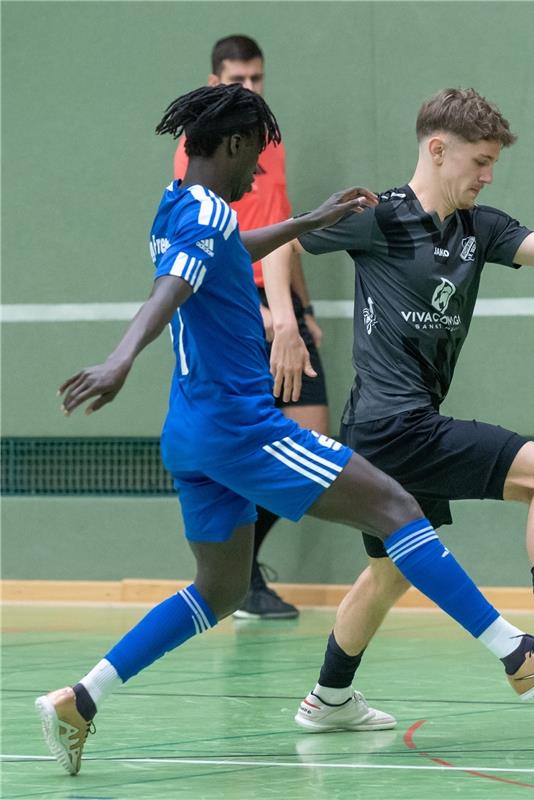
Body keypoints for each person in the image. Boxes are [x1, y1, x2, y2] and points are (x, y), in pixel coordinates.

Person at [35, 84, 534, 776]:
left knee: (216, 590)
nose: (260, 177)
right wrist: (120, 357)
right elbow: (176, 285)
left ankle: (81, 698)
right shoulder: (212, 208)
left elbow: (226, 247)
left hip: (188, 431)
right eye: (260, 161)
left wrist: (309, 218)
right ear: (237, 145)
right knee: (399, 508)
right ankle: (517, 654)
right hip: (241, 426)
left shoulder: (178, 206)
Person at [261, 88, 534, 733]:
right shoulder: (375, 215)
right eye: (480, 162)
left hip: (383, 430)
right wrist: (285, 324)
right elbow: (280, 243)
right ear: (438, 150)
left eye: (494, 164)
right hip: (393, 422)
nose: (488, 175)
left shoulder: (480, 228)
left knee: (387, 577)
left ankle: (327, 700)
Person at [173, 34, 329, 620]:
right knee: (250, 439)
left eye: (258, 80)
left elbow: (281, 231)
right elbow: (219, 247)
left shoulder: (269, 145)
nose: (251, 90)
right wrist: (263, 314)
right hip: (242, 305)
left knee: (315, 432)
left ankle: (246, 570)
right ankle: (238, 581)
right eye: (239, 81)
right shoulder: (205, 151)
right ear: (215, 82)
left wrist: (302, 312)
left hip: (280, 299)